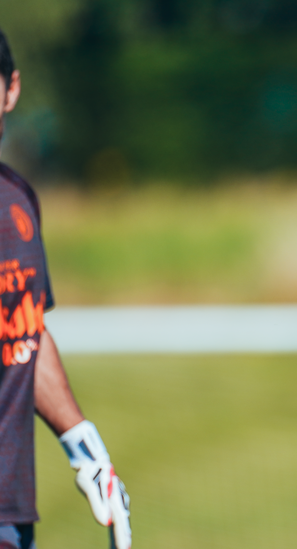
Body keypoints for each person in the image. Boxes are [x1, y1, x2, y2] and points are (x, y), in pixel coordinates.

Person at [0, 28, 131, 549]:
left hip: (10, 508)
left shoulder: (16, 200)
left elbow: (24, 329)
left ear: (10, 90)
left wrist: (85, 448)